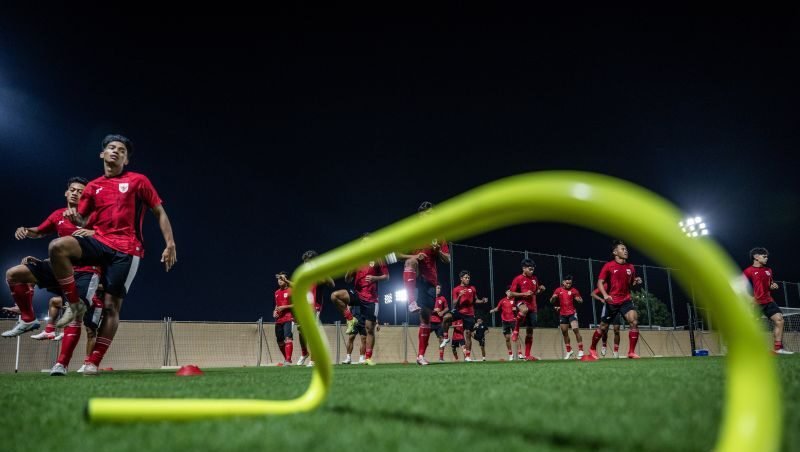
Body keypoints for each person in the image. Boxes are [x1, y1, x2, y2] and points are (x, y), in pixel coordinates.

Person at [46, 134, 177, 375]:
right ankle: (74, 304)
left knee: (111, 307)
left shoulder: (138, 181)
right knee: (58, 247)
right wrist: (77, 219)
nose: (115, 151)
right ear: (102, 154)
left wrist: (170, 244)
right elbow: (84, 219)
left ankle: (93, 361)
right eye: (111, 148)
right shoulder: (93, 187)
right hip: (98, 242)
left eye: (121, 150)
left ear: (126, 160)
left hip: (127, 248)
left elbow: (159, 211)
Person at [2, 176, 92, 338]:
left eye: (80, 192)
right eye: (72, 190)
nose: (75, 193)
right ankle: (28, 319)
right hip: (58, 268)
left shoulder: (92, 216)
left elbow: (107, 236)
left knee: (79, 320)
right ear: (66, 193)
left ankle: (70, 361)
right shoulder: (59, 215)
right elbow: (39, 231)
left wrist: (92, 232)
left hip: (82, 273)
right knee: (13, 274)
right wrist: (26, 230)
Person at [394, 202, 450, 366]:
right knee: (411, 261)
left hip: (430, 279)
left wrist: (438, 250)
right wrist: (414, 256)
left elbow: (448, 259)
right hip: (415, 272)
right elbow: (396, 255)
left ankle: (420, 356)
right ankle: (411, 301)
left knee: (426, 318)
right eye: (425, 214)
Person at [330, 237, 387, 366]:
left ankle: (367, 358)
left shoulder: (378, 258)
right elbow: (347, 279)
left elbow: (386, 276)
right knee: (335, 296)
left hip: (372, 298)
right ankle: (351, 318)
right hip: (357, 294)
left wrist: (374, 278)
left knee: (369, 329)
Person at [587, 240, 643, 360]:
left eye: (626, 249)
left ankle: (631, 352)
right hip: (612, 301)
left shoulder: (631, 267)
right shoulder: (609, 266)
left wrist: (636, 282)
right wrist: (605, 295)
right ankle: (592, 348)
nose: (626, 251)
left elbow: (631, 285)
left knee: (634, 322)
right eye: (622, 249)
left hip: (626, 300)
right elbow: (600, 282)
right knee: (603, 328)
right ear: (615, 252)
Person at [743, 247, 794, 354]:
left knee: (779, 320)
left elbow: (770, 284)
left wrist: (773, 286)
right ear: (756, 257)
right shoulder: (748, 271)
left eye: (767, 257)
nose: (766, 259)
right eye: (764, 256)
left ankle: (777, 349)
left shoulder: (768, 270)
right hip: (755, 304)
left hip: (768, 301)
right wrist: (750, 298)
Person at [294, 250, 335, 367]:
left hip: (314, 306)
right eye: (305, 261)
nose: (306, 263)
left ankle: (313, 360)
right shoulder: (305, 273)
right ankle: (305, 353)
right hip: (303, 305)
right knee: (301, 331)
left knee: (312, 333)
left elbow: (331, 284)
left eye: (308, 261)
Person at [508, 258, 546, 361]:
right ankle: (515, 330)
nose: (532, 271)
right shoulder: (518, 279)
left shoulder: (534, 278)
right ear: (524, 268)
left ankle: (527, 355)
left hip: (533, 306)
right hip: (521, 302)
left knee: (530, 332)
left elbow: (535, 292)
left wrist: (540, 290)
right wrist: (523, 294)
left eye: (533, 269)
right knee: (523, 310)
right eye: (530, 269)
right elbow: (511, 293)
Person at [450, 270, 486, 362]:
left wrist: (482, 301)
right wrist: (459, 296)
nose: (467, 279)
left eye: (468, 278)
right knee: (447, 317)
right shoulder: (456, 289)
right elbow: (454, 303)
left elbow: (475, 300)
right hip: (460, 312)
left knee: (468, 334)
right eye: (466, 277)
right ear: (461, 278)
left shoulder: (472, 288)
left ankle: (467, 356)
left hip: (470, 314)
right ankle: (445, 336)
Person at [551, 275, 585, 359]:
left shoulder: (574, 290)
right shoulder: (558, 290)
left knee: (575, 329)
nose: (569, 284)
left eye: (570, 283)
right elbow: (551, 301)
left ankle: (581, 350)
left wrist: (579, 300)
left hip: (572, 313)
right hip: (563, 314)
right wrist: (553, 298)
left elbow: (581, 300)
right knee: (564, 332)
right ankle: (569, 351)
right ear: (563, 282)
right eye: (567, 283)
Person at [591, 283, 621, 358]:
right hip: (607, 309)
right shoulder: (605, 285)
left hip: (617, 309)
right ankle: (604, 345)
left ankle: (616, 351)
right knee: (604, 330)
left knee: (617, 330)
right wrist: (601, 299)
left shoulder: (618, 283)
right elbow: (593, 293)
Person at [273, 272, 295, 366]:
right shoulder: (276, 293)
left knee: (288, 338)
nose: (280, 281)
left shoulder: (291, 290)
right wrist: (274, 311)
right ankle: (286, 359)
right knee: (279, 341)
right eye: (279, 279)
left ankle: (288, 360)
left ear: (286, 280)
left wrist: (284, 307)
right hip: (279, 320)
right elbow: (277, 305)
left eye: (282, 279)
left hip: (289, 318)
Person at [490, 288, 517, 360]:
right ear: (506, 292)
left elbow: (519, 307)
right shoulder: (502, 300)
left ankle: (520, 354)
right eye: (508, 291)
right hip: (505, 321)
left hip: (513, 321)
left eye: (511, 291)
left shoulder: (515, 299)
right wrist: (492, 310)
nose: (510, 292)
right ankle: (511, 354)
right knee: (507, 338)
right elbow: (497, 308)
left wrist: (516, 311)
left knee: (516, 337)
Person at [430, 284, 450, 362]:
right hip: (430, 321)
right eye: (437, 288)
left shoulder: (442, 298)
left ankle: (441, 358)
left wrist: (442, 312)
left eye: (439, 288)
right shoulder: (430, 298)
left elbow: (447, 308)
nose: (438, 289)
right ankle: (421, 356)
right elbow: (425, 309)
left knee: (441, 339)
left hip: (439, 323)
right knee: (425, 337)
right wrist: (434, 310)